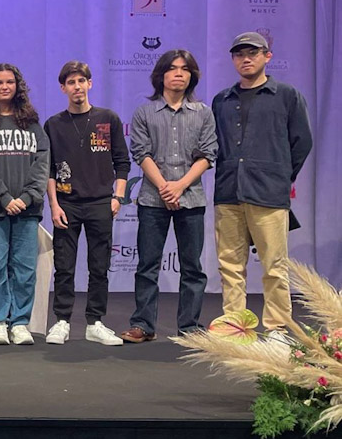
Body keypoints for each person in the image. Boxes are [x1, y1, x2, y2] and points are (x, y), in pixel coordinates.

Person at [212, 32, 312, 339]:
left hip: (269, 193)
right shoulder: (222, 100)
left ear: (267, 56)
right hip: (229, 192)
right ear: (233, 60)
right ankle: (235, 324)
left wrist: (281, 176)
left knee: (273, 266)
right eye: (240, 54)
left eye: (252, 53)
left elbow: (302, 142)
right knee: (230, 265)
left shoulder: (286, 95)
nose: (246, 59)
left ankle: (278, 327)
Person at [120, 50, 217, 343]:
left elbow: (208, 155)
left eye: (185, 69)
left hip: (192, 199)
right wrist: (165, 186)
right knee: (148, 264)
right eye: (172, 69)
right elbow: (141, 153)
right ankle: (143, 325)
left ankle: (189, 326)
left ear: (192, 76)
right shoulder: (144, 113)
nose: (179, 74)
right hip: (152, 200)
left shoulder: (203, 112)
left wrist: (179, 186)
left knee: (193, 267)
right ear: (160, 75)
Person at [44, 60, 129, 346]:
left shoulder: (108, 119)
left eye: (81, 81)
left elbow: (122, 162)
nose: (77, 87)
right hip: (67, 203)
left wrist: (118, 197)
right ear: (63, 88)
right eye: (71, 82)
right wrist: (54, 205)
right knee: (64, 267)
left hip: (101, 202)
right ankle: (62, 321)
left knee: (99, 267)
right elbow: (49, 170)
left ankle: (95, 322)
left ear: (90, 84)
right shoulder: (53, 124)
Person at [0, 63, 49, 346]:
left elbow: (42, 165)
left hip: (27, 210)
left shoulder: (32, 125)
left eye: (9, 82)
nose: (4, 87)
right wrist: (4, 198)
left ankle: (19, 322)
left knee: (24, 269)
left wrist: (26, 197)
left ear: (18, 86)